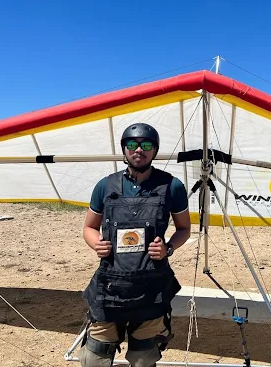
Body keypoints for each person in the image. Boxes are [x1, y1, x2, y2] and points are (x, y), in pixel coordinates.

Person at [79, 122, 191, 367]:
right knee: (94, 356)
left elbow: (184, 229)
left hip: (151, 288)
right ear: (124, 149)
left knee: (144, 357)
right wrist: (96, 244)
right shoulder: (104, 186)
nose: (138, 150)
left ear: (154, 150)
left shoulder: (172, 186)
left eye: (146, 145)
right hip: (109, 287)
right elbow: (89, 228)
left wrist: (168, 248)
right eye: (132, 144)